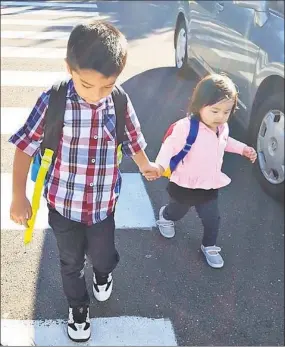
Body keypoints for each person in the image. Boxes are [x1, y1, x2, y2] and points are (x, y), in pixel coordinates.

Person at [9, 20, 160, 343]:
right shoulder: (54, 101)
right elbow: (24, 146)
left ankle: (104, 274)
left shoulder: (119, 101)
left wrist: (147, 165)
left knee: (104, 256)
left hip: (104, 204)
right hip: (63, 205)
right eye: (86, 85)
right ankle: (78, 308)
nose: (95, 95)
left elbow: (133, 140)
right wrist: (18, 196)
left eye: (105, 86)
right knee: (70, 262)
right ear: (69, 68)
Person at [144, 74, 257, 269]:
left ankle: (209, 245)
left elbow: (225, 142)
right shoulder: (186, 127)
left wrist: (242, 149)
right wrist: (160, 167)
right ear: (199, 105)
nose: (221, 117)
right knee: (178, 210)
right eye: (215, 111)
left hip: (209, 183)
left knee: (212, 218)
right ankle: (166, 216)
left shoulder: (221, 127)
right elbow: (169, 147)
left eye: (226, 111)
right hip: (184, 184)